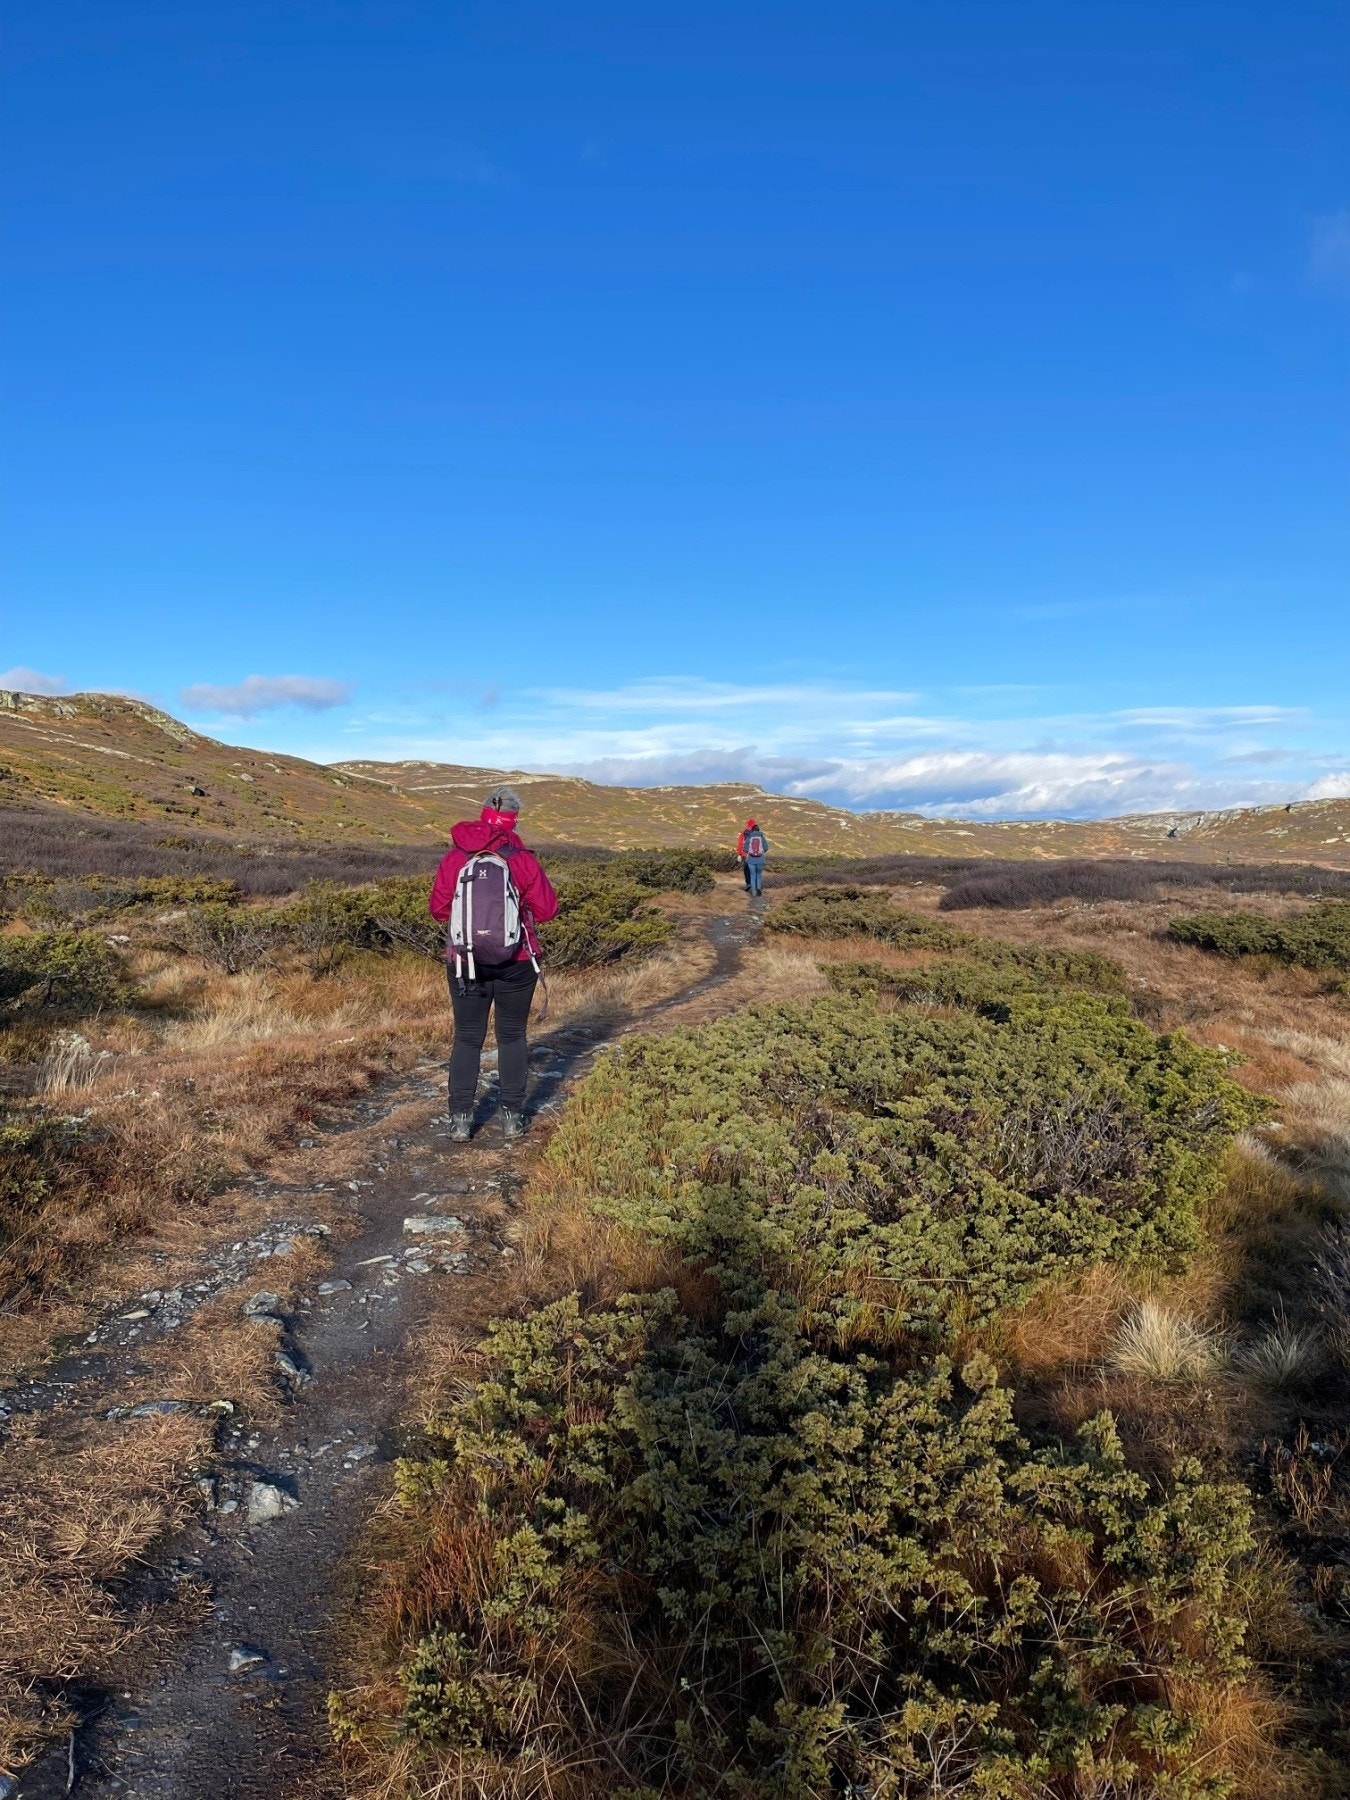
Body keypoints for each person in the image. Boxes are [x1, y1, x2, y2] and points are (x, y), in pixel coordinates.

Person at [428, 786, 558, 1142]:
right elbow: (548, 910)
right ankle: (513, 1119)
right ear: (514, 818)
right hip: (516, 961)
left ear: (482, 813)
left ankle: (459, 1122)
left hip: (466, 962)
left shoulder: (456, 857)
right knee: (512, 1035)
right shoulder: (521, 858)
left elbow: (438, 910)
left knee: (467, 1038)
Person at [736, 817, 768, 897]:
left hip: (747, 856)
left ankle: (749, 885)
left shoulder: (744, 833)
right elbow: (765, 848)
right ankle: (758, 888)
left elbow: (741, 844)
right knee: (758, 874)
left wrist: (740, 853)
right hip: (759, 857)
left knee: (748, 871)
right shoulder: (760, 835)